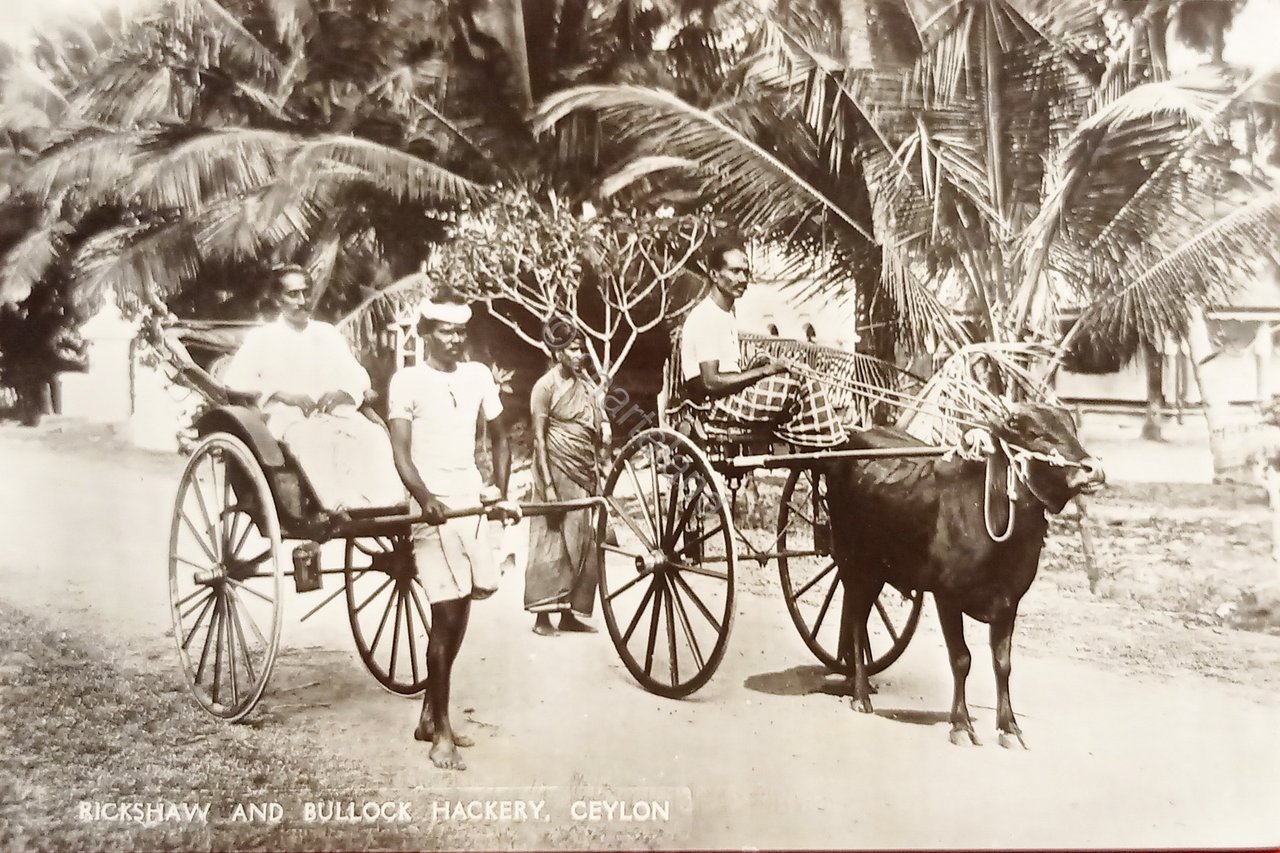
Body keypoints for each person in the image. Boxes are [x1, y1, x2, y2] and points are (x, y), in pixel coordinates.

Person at [387, 297, 519, 771]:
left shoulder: (478, 376)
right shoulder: (407, 381)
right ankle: (441, 731)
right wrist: (424, 498)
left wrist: (499, 491)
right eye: (444, 331)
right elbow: (401, 454)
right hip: (431, 506)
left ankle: (429, 715)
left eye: (460, 331)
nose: (454, 339)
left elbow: (501, 436)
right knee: (444, 614)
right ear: (426, 334)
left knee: (461, 609)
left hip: (468, 501)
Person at [221, 265, 403, 511]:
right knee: (312, 441)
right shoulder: (262, 338)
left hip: (336, 414)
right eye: (293, 294)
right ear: (278, 299)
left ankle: (384, 505)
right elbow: (236, 380)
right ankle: (337, 507)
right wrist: (282, 394)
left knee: (373, 437)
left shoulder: (327, 334)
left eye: (306, 293)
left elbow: (356, 374)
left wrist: (345, 392)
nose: (302, 301)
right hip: (289, 417)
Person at [680, 241, 848, 448]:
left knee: (800, 370)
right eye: (735, 271)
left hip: (729, 397)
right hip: (714, 405)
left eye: (746, 272)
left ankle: (820, 439)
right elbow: (710, 382)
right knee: (800, 380)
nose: (743, 279)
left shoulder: (726, 315)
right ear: (714, 275)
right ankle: (832, 443)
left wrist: (764, 363)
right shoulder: (707, 316)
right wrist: (767, 371)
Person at [524, 322, 605, 636]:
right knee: (551, 539)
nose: (579, 354)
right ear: (557, 352)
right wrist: (547, 486)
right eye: (572, 349)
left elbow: (594, 425)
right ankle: (542, 617)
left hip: (582, 469)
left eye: (580, 348)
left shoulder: (584, 385)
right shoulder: (544, 387)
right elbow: (539, 439)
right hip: (555, 470)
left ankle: (570, 613)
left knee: (582, 540)